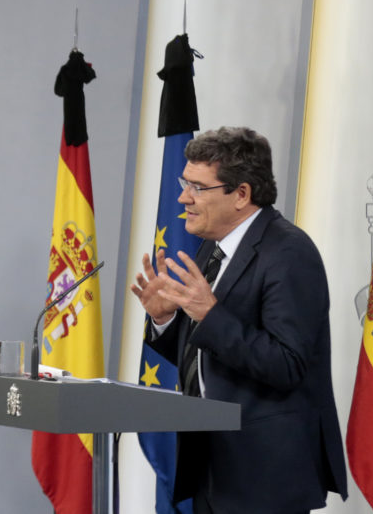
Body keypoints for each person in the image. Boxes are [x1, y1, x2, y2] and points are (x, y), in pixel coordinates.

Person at [131, 127, 347, 513]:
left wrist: (209, 314)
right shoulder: (212, 247)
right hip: (212, 467)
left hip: (263, 478)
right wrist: (165, 322)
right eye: (184, 183)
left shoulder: (289, 253)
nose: (183, 197)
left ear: (241, 194)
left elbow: (288, 363)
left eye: (197, 187)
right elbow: (209, 350)